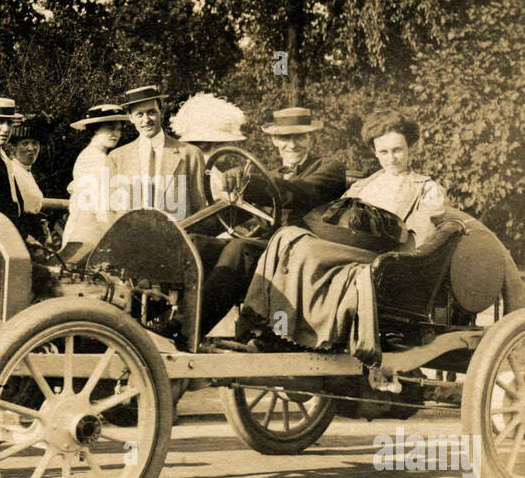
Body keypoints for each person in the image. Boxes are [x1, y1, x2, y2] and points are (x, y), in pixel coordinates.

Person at [237, 109, 447, 354]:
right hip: (348, 248)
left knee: (302, 246)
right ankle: (269, 327)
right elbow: (336, 219)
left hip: (388, 258)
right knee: (287, 237)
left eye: (398, 150)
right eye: (383, 152)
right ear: (375, 152)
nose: (391, 158)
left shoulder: (426, 188)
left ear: (412, 147)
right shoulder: (364, 185)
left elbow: (421, 242)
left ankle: (289, 333)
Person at [197, 106, 347, 335]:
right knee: (195, 244)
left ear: (311, 138)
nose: (292, 144)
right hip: (266, 249)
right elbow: (234, 214)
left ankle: (188, 331)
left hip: (298, 253)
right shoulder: (273, 174)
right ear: (275, 141)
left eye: (299, 137)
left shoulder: (329, 169)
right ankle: (148, 325)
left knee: (240, 249)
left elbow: (298, 191)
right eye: (285, 138)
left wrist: (249, 182)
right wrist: (181, 229)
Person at [105, 85, 208, 224]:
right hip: (133, 239)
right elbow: (111, 210)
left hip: (176, 238)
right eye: (139, 114)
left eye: (151, 112)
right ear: (131, 118)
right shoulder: (116, 158)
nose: (146, 120)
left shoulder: (190, 154)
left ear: (161, 111)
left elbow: (200, 207)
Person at [60, 103, 127, 252]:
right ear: (95, 129)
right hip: (87, 233)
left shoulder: (96, 155)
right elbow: (99, 205)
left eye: (118, 129)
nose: (115, 134)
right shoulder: (95, 159)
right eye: (110, 128)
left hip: (87, 228)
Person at [8, 115, 48, 242]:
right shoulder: (13, 170)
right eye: (25, 143)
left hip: (34, 229)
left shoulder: (27, 171)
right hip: (22, 232)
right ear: (14, 148)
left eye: (35, 143)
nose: (31, 148)